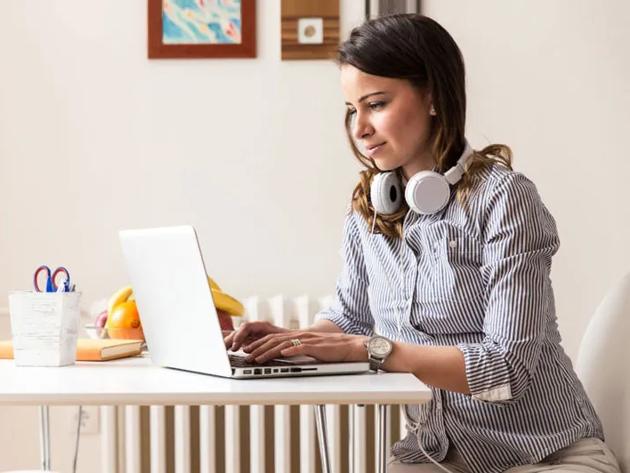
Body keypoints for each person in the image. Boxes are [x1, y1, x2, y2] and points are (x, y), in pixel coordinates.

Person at [224, 14, 621, 473]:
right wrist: (294, 340)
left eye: (376, 104)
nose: (360, 128)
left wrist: (370, 350)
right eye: (352, 109)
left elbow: (507, 366)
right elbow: (350, 318)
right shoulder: (368, 210)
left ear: (432, 95)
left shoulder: (505, 199)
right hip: (437, 457)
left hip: (547, 456)